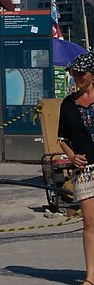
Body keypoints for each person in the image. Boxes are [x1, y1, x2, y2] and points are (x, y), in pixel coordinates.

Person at [58, 52, 94, 285]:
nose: (77, 78)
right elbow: (61, 137)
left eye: (82, 73)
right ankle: (91, 275)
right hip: (85, 169)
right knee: (89, 222)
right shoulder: (68, 104)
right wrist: (71, 156)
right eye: (74, 73)